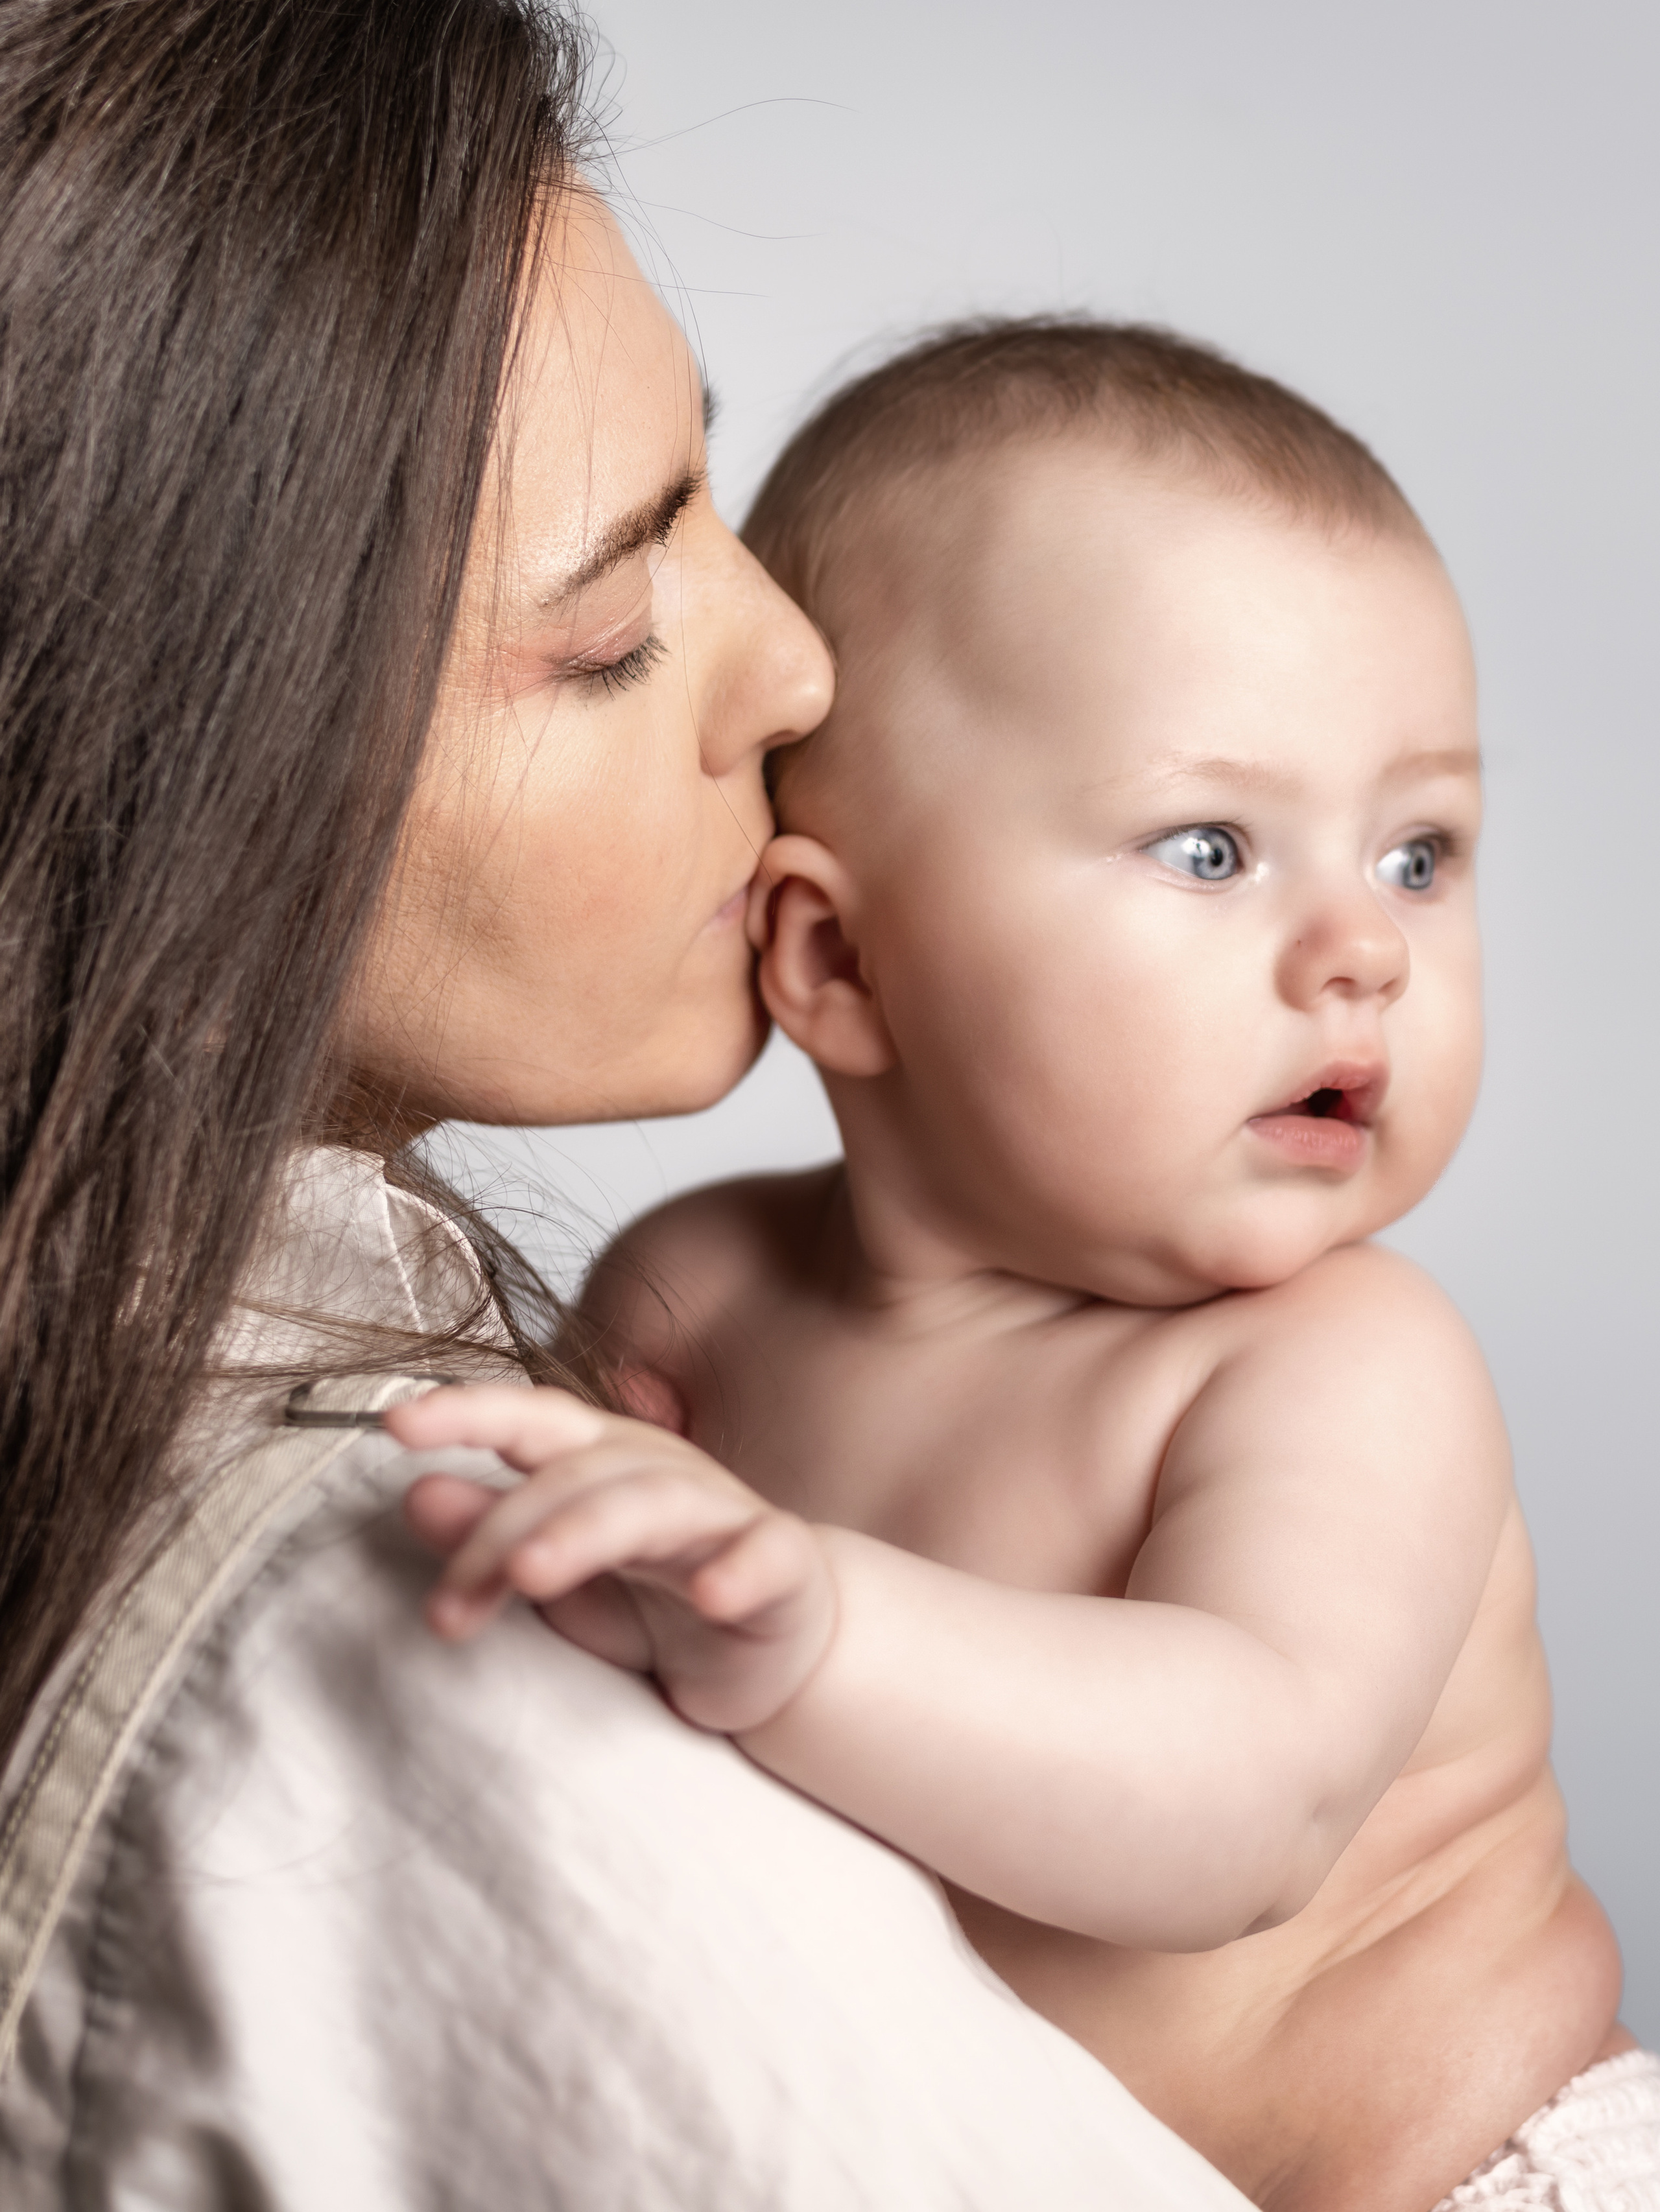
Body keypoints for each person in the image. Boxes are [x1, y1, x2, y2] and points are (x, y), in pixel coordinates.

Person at [0, 8, 1254, 2207]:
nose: (794, 667)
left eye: (716, 486)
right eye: (608, 628)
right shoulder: (418, 1651)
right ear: (155, 771)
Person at [400, 322, 1660, 2212]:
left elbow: (1243, 1803)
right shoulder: (697, 1291)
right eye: (1216, 845)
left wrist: (815, 1625)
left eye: (1420, 853)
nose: (1364, 954)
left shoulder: (1335, 1363)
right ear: (836, 962)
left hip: (1468, 2174)